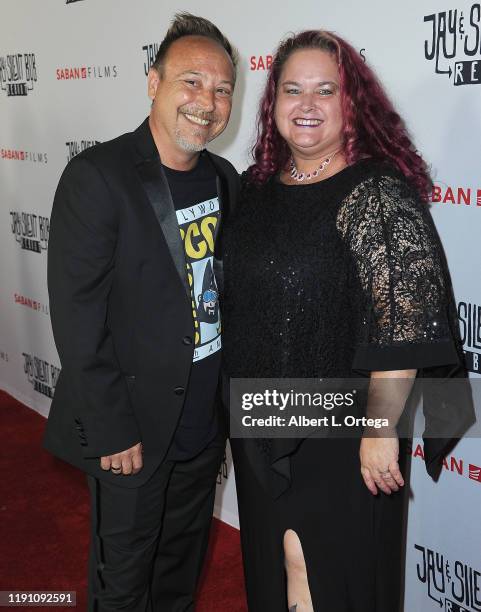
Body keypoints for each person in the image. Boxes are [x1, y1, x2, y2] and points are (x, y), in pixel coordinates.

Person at [222, 30, 473, 611]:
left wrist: (381, 428)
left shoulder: (376, 194)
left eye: (325, 90)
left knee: (323, 577)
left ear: (351, 103)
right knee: (276, 571)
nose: (306, 104)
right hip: (261, 424)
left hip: (344, 435)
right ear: (273, 103)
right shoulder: (257, 191)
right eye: (292, 89)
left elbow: (406, 325)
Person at [44, 13, 239, 611]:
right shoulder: (98, 176)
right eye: (191, 81)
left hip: (202, 424)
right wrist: (112, 428)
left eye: (223, 89)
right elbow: (77, 316)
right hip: (132, 430)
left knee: (179, 572)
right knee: (124, 581)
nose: (207, 102)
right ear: (153, 82)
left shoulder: (225, 179)